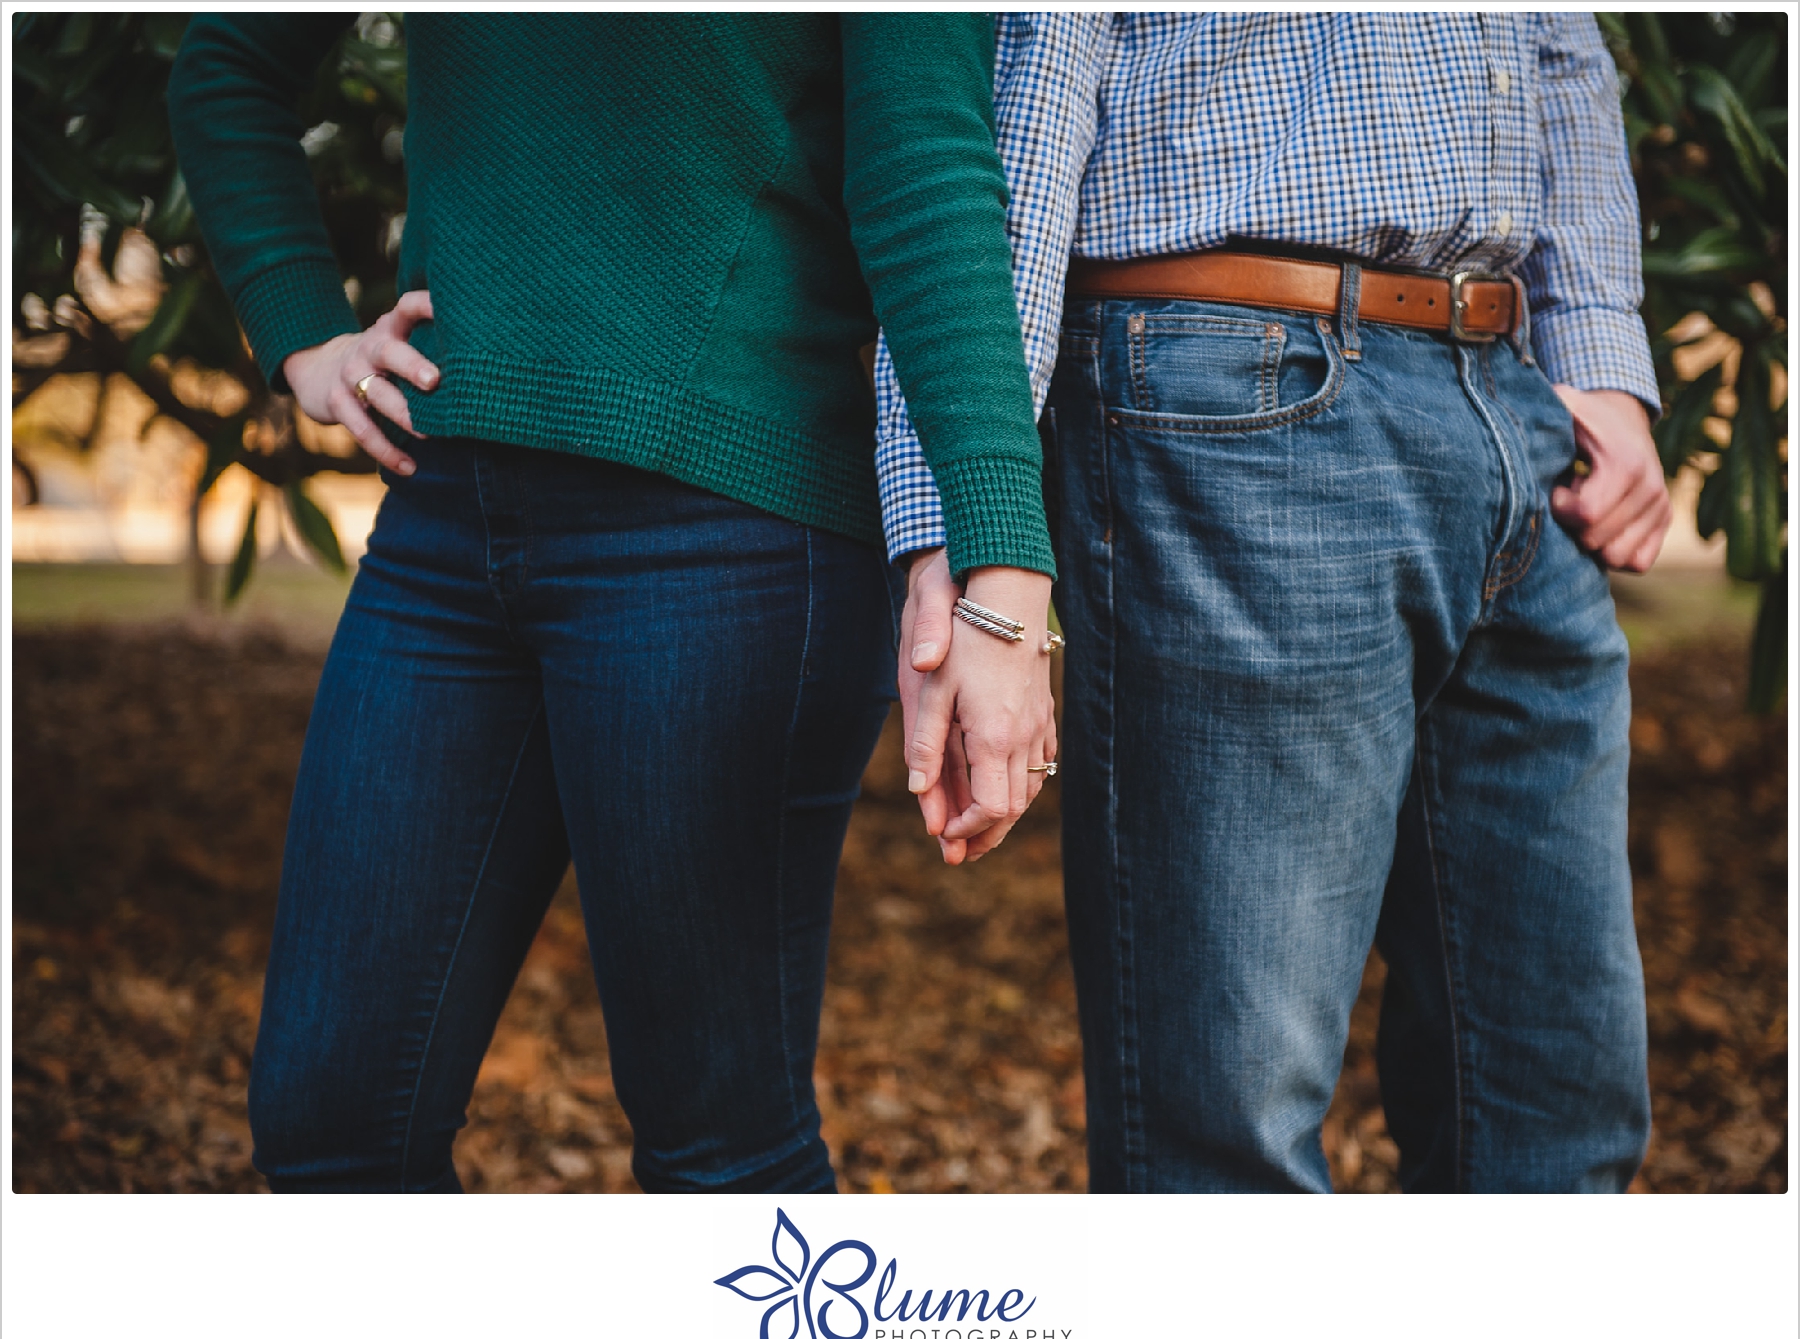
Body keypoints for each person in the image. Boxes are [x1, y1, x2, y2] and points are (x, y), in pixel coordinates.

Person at [168, 13, 1057, 1192]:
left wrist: (1004, 568)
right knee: (329, 1126)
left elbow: (925, 168)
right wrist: (301, 330)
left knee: (718, 1150)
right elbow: (228, 61)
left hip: (725, 536)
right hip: (442, 530)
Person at [881, 12, 1673, 1191]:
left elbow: (1561, 41)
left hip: (1514, 416)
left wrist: (1599, 351)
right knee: (1230, 1141)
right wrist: (966, 532)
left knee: (1557, 1110)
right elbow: (1022, 90)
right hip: (1237, 394)